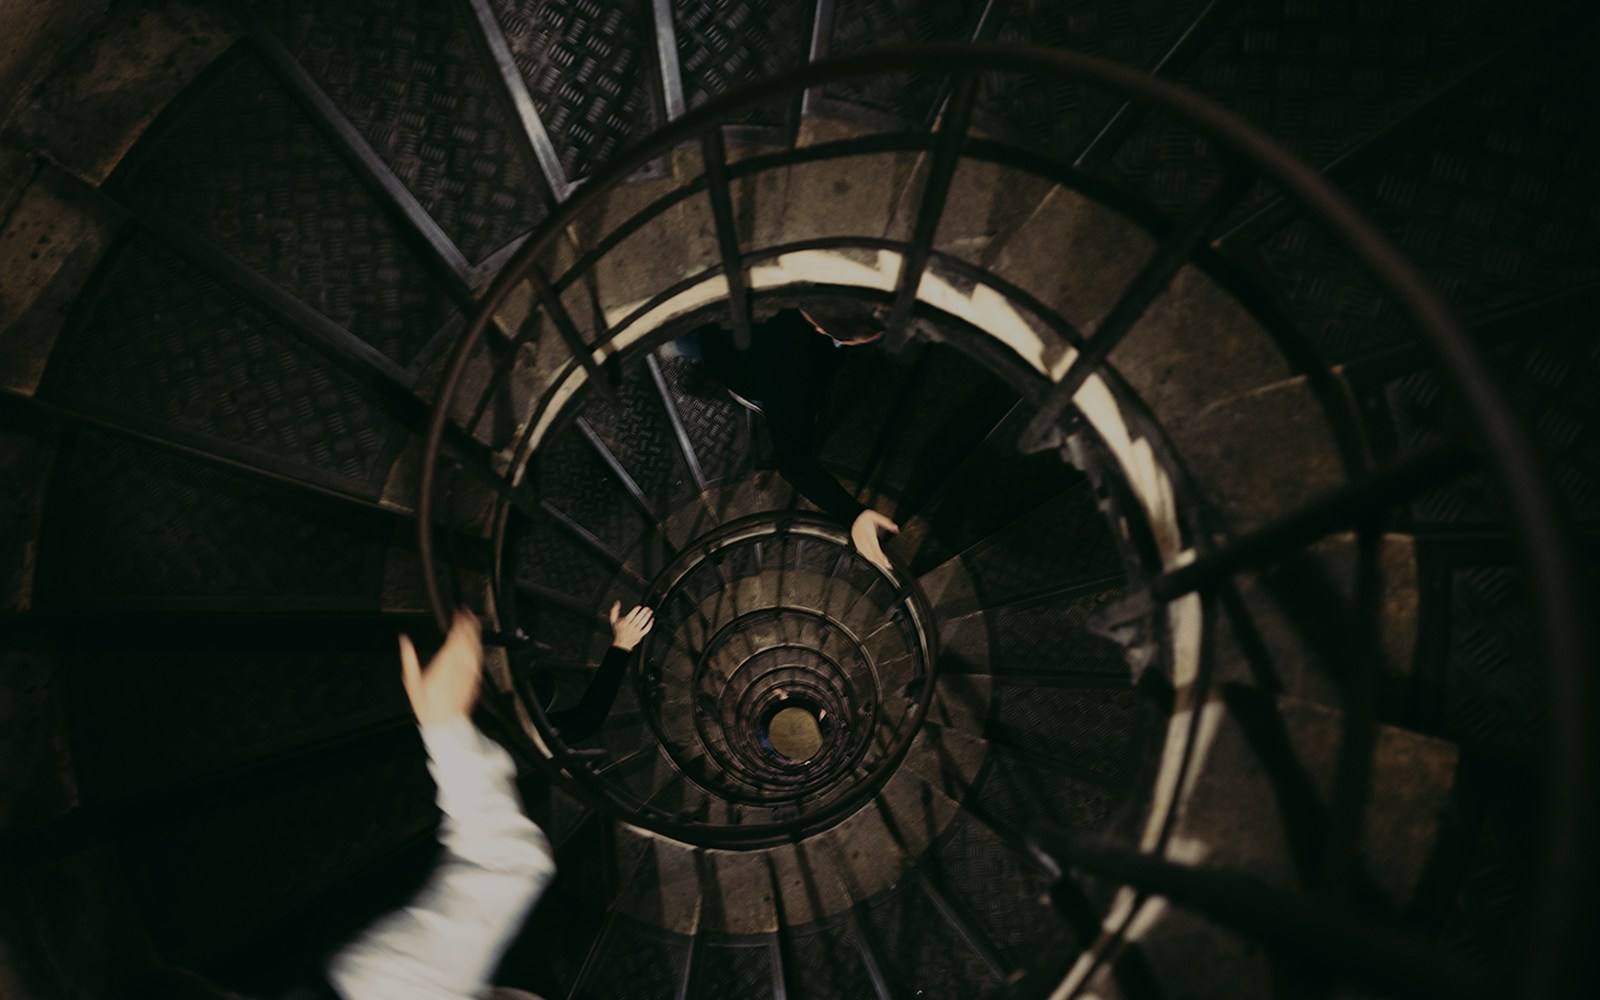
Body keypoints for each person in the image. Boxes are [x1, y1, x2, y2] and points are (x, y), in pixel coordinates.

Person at [674, 305, 901, 571]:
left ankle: (677, 338)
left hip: (718, 328)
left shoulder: (781, 299)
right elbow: (792, 459)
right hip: (745, 366)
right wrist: (852, 514)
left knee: (690, 337)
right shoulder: (794, 375)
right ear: (821, 330)